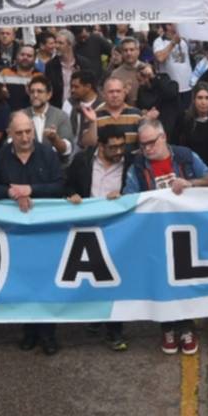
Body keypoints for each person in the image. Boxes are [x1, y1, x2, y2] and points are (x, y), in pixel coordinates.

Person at [122, 119, 208, 356]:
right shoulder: (137, 166)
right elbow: (129, 198)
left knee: (184, 279)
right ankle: (167, 327)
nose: (147, 149)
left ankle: (186, 327)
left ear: (163, 137)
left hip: (186, 229)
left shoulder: (184, 156)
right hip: (154, 232)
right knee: (162, 280)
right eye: (142, 145)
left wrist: (190, 183)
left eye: (151, 143)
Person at [0, 111, 67, 355]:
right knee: (23, 282)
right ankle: (29, 331)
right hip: (15, 235)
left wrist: (31, 189)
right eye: (19, 132)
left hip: (44, 232)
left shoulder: (47, 154)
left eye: (28, 131)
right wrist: (12, 193)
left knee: (45, 282)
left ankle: (48, 334)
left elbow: (60, 185)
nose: (24, 137)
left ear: (34, 130)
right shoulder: (0, 158)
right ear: (10, 134)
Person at [62, 124, 131, 352]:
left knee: (114, 278)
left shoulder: (130, 163)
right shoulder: (82, 161)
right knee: (91, 276)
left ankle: (115, 331)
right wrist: (70, 194)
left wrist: (124, 197)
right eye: (113, 147)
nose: (119, 151)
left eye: (122, 146)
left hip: (116, 228)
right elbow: (67, 183)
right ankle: (97, 316)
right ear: (100, 146)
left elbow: (138, 190)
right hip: (87, 227)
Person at [172, 84, 208, 178]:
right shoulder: (184, 119)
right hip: (191, 174)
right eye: (200, 98)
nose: (203, 102)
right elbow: (175, 145)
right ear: (194, 100)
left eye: (207, 98)